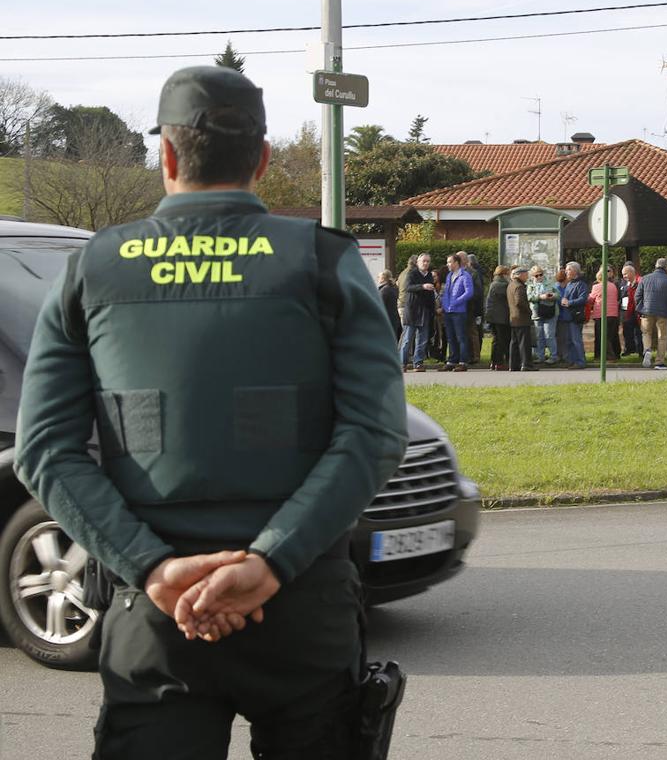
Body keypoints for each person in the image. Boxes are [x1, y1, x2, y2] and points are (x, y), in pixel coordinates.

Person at [14, 65, 407, 758]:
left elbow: (44, 450)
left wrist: (155, 570)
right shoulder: (321, 260)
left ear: (165, 154)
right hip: (302, 610)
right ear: (261, 158)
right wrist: (269, 564)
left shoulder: (93, 269)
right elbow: (373, 435)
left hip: (156, 616)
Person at [636, 257, 667, 370]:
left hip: (646, 311)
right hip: (663, 312)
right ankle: (659, 362)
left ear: (655, 266)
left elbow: (637, 296)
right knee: (662, 336)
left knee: (646, 333)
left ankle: (647, 349)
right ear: (666, 267)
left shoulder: (644, 278)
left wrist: (640, 309)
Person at [441, 252, 474, 371]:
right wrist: (444, 304)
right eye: (447, 262)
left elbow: (469, 292)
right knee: (450, 337)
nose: (448, 264)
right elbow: (446, 292)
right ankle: (452, 360)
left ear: (456, 263)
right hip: (448, 311)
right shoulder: (449, 275)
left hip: (459, 311)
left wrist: (456, 301)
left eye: (450, 262)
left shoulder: (465, 275)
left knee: (461, 337)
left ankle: (463, 361)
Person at [403, 253, 436, 371]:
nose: (426, 263)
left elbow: (431, 294)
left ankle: (418, 363)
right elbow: (408, 287)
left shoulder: (429, 275)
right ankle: (402, 363)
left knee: (422, 339)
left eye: (427, 261)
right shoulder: (412, 273)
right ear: (417, 262)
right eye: (423, 261)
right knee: (407, 339)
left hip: (425, 311)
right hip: (412, 310)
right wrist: (422, 286)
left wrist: (433, 310)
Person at [588, 267, 621, 361]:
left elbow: (591, 299)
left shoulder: (596, 287)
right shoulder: (613, 286)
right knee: (610, 336)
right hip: (613, 314)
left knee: (602, 336)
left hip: (601, 314)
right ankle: (611, 355)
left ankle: (609, 356)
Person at [560, 261, 589, 369]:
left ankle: (580, 361)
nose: (566, 272)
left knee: (576, 340)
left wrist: (569, 302)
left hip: (575, 316)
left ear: (575, 271)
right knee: (569, 341)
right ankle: (572, 361)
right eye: (566, 270)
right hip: (567, 316)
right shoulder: (569, 284)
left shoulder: (581, 284)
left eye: (568, 270)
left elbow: (583, 299)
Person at [527, 264, 558, 365]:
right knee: (539, 336)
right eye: (536, 275)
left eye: (540, 274)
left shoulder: (550, 283)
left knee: (549, 335)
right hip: (536, 313)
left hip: (550, 312)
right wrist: (540, 297)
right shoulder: (530, 285)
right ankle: (540, 356)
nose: (539, 277)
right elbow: (529, 297)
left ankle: (553, 356)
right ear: (532, 276)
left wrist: (552, 296)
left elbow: (558, 295)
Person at [507, 266, 537, 371]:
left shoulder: (511, 285)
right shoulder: (519, 286)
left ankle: (513, 365)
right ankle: (526, 364)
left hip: (514, 318)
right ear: (519, 274)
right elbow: (519, 301)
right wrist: (529, 311)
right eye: (525, 274)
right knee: (524, 343)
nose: (527, 276)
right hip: (521, 318)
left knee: (514, 342)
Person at [484, 265, 511, 371]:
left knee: (496, 340)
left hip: (493, 316)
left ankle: (494, 362)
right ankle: (499, 362)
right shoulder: (502, 285)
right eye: (508, 274)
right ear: (503, 274)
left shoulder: (494, 283)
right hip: (500, 317)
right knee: (501, 340)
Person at [619, 263, 642, 357]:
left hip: (638, 310)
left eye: (626, 274)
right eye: (623, 274)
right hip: (627, 310)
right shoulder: (624, 283)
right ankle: (629, 349)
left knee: (639, 332)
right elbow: (623, 297)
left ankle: (641, 351)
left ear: (632, 272)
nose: (624, 276)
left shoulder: (640, 281)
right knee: (626, 330)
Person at [553, 268, 573, 367]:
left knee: (563, 338)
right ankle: (562, 357)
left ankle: (562, 356)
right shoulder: (557, 288)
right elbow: (561, 301)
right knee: (562, 338)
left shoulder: (566, 286)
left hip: (565, 316)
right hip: (561, 316)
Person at [377, 269, 402, 348]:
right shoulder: (393, 288)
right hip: (393, 318)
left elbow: (379, 305)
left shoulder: (384, 290)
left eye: (379, 276)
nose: (378, 278)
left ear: (383, 278)